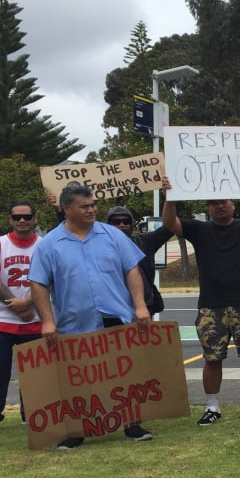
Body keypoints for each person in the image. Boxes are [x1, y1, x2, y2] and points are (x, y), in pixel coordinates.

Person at [28, 184, 153, 449]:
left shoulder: (113, 235)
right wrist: (47, 321)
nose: (92, 210)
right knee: (78, 377)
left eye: (93, 204)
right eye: (84, 206)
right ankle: (76, 430)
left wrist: (139, 305)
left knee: (123, 373)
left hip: (115, 315)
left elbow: (132, 270)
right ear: (67, 209)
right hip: (75, 322)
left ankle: (131, 424)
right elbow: (38, 284)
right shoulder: (49, 244)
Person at [162, 187, 240, 427]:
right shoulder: (199, 229)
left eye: (224, 202)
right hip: (211, 305)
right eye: (213, 203)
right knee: (212, 358)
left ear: (233, 204)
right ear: (208, 208)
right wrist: (169, 195)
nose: (219, 206)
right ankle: (212, 406)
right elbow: (169, 221)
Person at [0, 201, 43, 434]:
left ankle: (33, 414)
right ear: (10, 220)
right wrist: (18, 307)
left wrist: (29, 303)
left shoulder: (44, 246)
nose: (22, 221)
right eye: (17, 217)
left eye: (27, 216)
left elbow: (50, 281)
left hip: (35, 321)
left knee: (35, 374)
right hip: (0, 321)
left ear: (35, 218)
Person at [103, 205, 173, 316]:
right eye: (116, 221)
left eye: (126, 221)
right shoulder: (97, 246)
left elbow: (170, 227)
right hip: (109, 311)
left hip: (142, 309)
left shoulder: (145, 242)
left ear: (131, 224)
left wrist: (170, 199)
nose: (121, 225)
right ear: (108, 225)